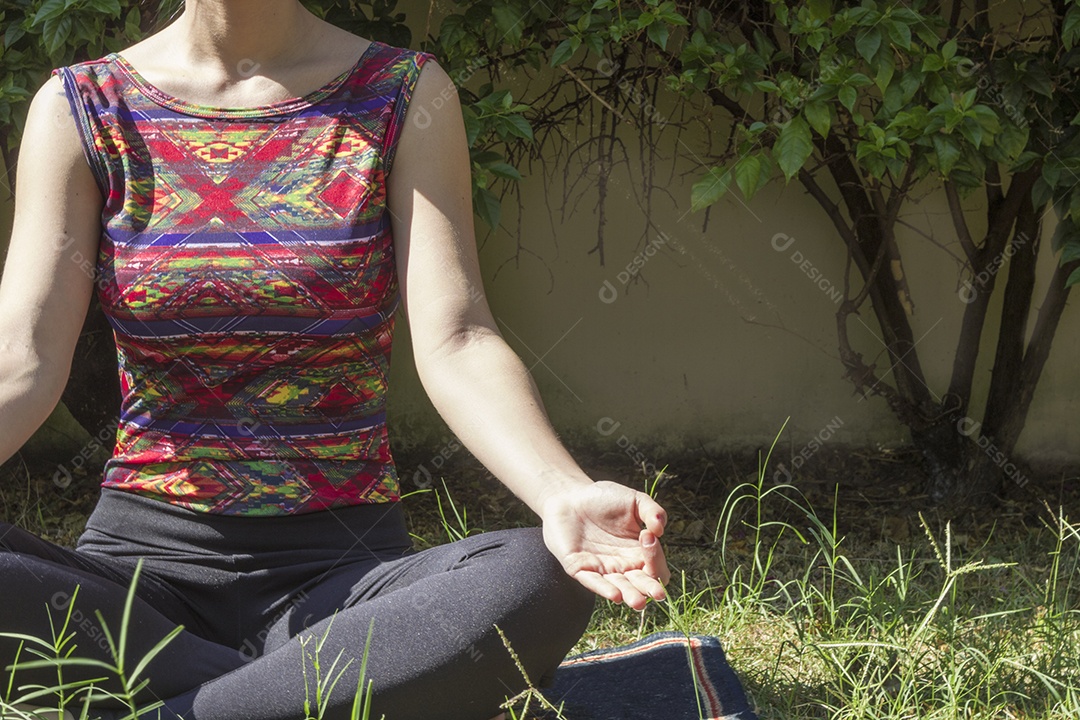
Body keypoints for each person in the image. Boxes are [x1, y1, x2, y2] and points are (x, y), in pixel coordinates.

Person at [0, 1, 672, 719]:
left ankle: (202, 702)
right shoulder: (82, 106)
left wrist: (561, 490)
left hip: (346, 589)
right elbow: (22, 354)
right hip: (139, 590)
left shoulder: (402, 94)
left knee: (538, 574)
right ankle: (320, 694)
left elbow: (458, 339)